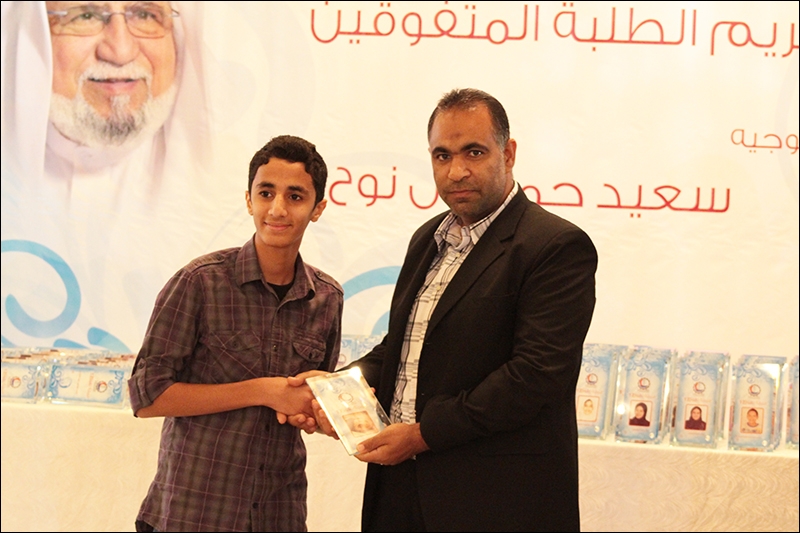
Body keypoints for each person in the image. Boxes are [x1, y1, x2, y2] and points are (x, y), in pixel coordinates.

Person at [289, 88, 597, 531]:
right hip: (399, 489)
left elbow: (535, 376)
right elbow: (403, 347)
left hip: (496, 502)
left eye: (474, 152)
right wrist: (338, 391)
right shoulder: (428, 239)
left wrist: (421, 436)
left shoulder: (555, 246)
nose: (457, 171)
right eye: (442, 155)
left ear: (508, 153)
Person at [127, 135, 343, 532]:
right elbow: (147, 396)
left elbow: (306, 399)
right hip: (194, 513)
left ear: (318, 208)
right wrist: (263, 390)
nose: (277, 209)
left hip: (279, 512)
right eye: (266, 193)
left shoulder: (327, 298)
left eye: (295, 196)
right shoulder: (199, 282)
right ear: (248, 200)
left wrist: (322, 410)